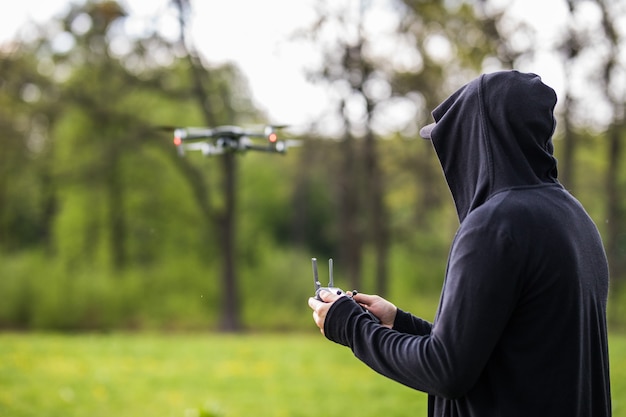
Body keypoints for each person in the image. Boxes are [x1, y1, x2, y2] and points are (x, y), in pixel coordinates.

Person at [308, 70, 612, 417]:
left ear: (477, 140)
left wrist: (349, 325)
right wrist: (399, 322)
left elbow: (445, 370)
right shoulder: (572, 217)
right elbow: (492, 350)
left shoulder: (494, 225)